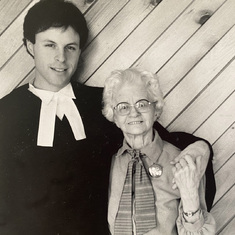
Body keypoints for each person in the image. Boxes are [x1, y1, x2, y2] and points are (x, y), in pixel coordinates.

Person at [0, 0, 214, 234]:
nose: (61, 57)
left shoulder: (102, 103)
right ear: (30, 46)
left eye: (70, 47)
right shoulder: (6, 113)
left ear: (80, 50)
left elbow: (155, 138)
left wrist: (201, 147)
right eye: (49, 45)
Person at [102, 68, 216, 234]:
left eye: (142, 104)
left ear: (156, 111)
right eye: (123, 107)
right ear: (115, 117)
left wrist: (190, 194)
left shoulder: (183, 161)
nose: (133, 113)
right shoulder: (106, 164)